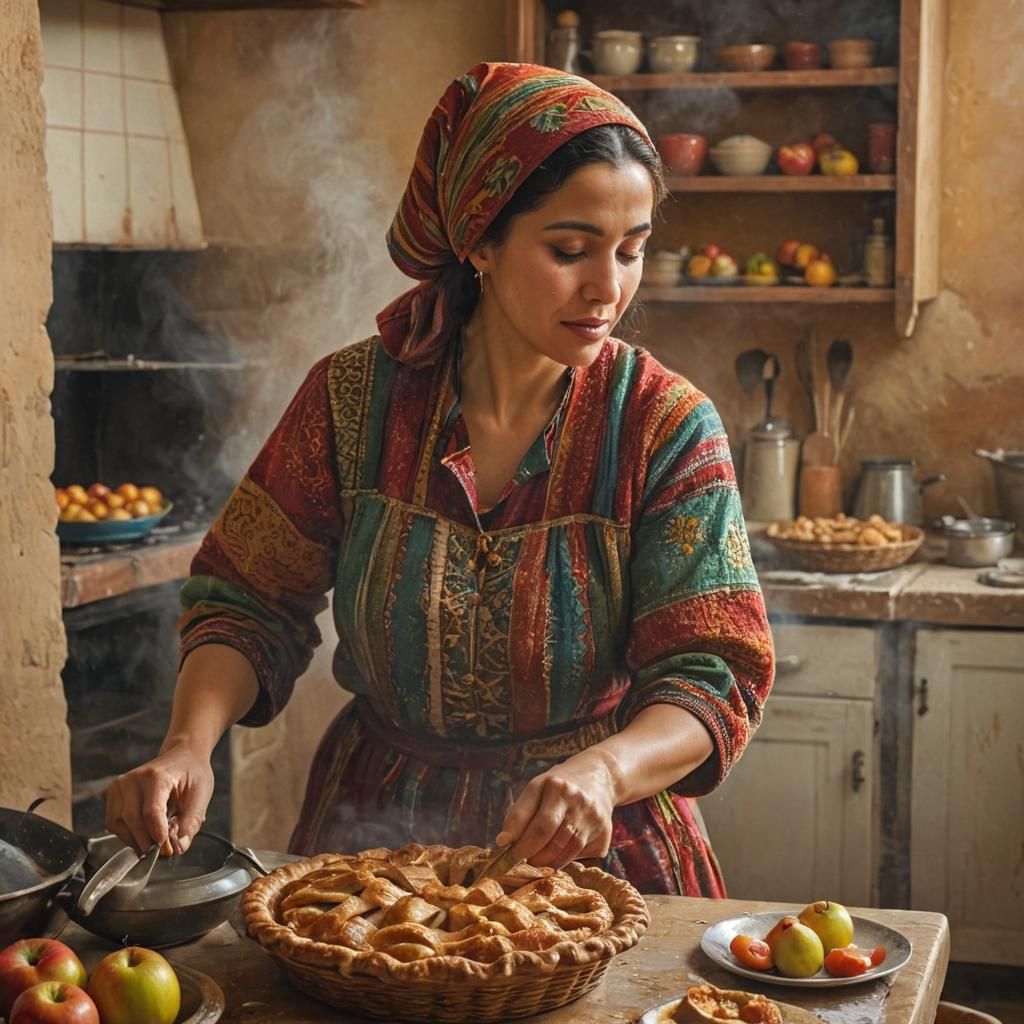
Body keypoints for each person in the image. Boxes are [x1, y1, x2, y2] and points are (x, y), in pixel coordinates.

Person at [105, 61, 774, 896]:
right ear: (480, 241)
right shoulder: (352, 402)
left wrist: (605, 770)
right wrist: (187, 744)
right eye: (570, 250)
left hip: (601, 855)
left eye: (632, 251)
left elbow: (715, 669)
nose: (609, 289)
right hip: (374, 842)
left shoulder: (664, 426)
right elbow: (249, 599)